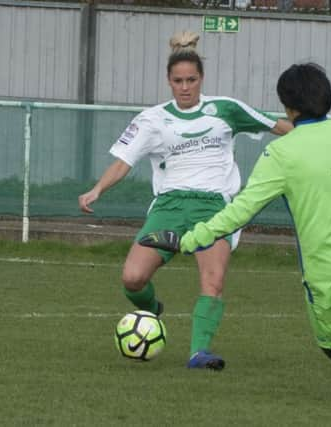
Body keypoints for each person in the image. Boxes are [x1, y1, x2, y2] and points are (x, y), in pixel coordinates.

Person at [143, 64, 331, 406]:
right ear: (329, 101)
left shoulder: (282, 153)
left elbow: (239, 211)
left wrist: (185, 240)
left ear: (288, 108)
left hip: (330, 266)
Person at [78, 31, 292, 371]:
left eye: (191, 79)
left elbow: (281, 126)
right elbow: (123, 161)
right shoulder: (152, 119)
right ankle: (152, 310)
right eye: (178, 80)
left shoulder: (226, 108)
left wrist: (315, 135)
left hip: (213, 209)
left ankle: (199, 353)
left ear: (201, 79)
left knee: (213, 281)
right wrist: (97, 189)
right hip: (169, 207)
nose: (185, 87)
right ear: (168, 81)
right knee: (132, 279)